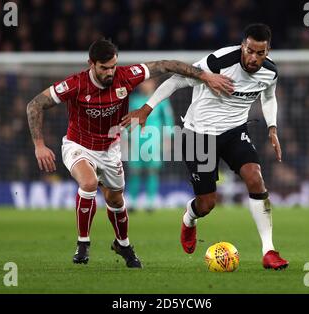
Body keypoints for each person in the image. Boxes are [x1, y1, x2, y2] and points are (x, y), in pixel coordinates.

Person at [26, 38, 234, 268]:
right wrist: (39, 145)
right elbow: (35, 104)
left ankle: (123, 244)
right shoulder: (75, 84)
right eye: (104, 68)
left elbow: (166, 65)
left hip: (110, 149)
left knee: (116, 199)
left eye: (113, 66)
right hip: (78, 145)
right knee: (89, 183)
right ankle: (83, 244)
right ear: (91, 64)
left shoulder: (126, 76)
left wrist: (205, 76)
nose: (110, 72)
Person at [121, 24, 289, 270]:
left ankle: (269, 251)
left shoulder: (270, 72)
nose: (253, 58)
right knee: (207, 204)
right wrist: (147, 109)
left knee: (255, 178)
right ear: (243, 45)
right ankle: (189, 218)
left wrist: (272, 128)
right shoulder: (219, 60)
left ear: (268, 51)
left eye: (260, 53)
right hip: (199, 135)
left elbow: (268, 96)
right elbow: (178, 80)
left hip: (234, 132)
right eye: (250, 51)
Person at [127, 80, 175, 212]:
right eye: (143, 83)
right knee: (134, 171)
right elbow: (127, 119)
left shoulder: (161, 100)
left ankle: (151, 201)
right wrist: (126, 138)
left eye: (148, 83)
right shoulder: (134, 100)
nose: (145, 85)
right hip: (136, 139)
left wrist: (168, 138)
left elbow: (168, 119)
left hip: (154, 139)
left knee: (152, 170)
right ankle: (132, 201)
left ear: (154, 84)